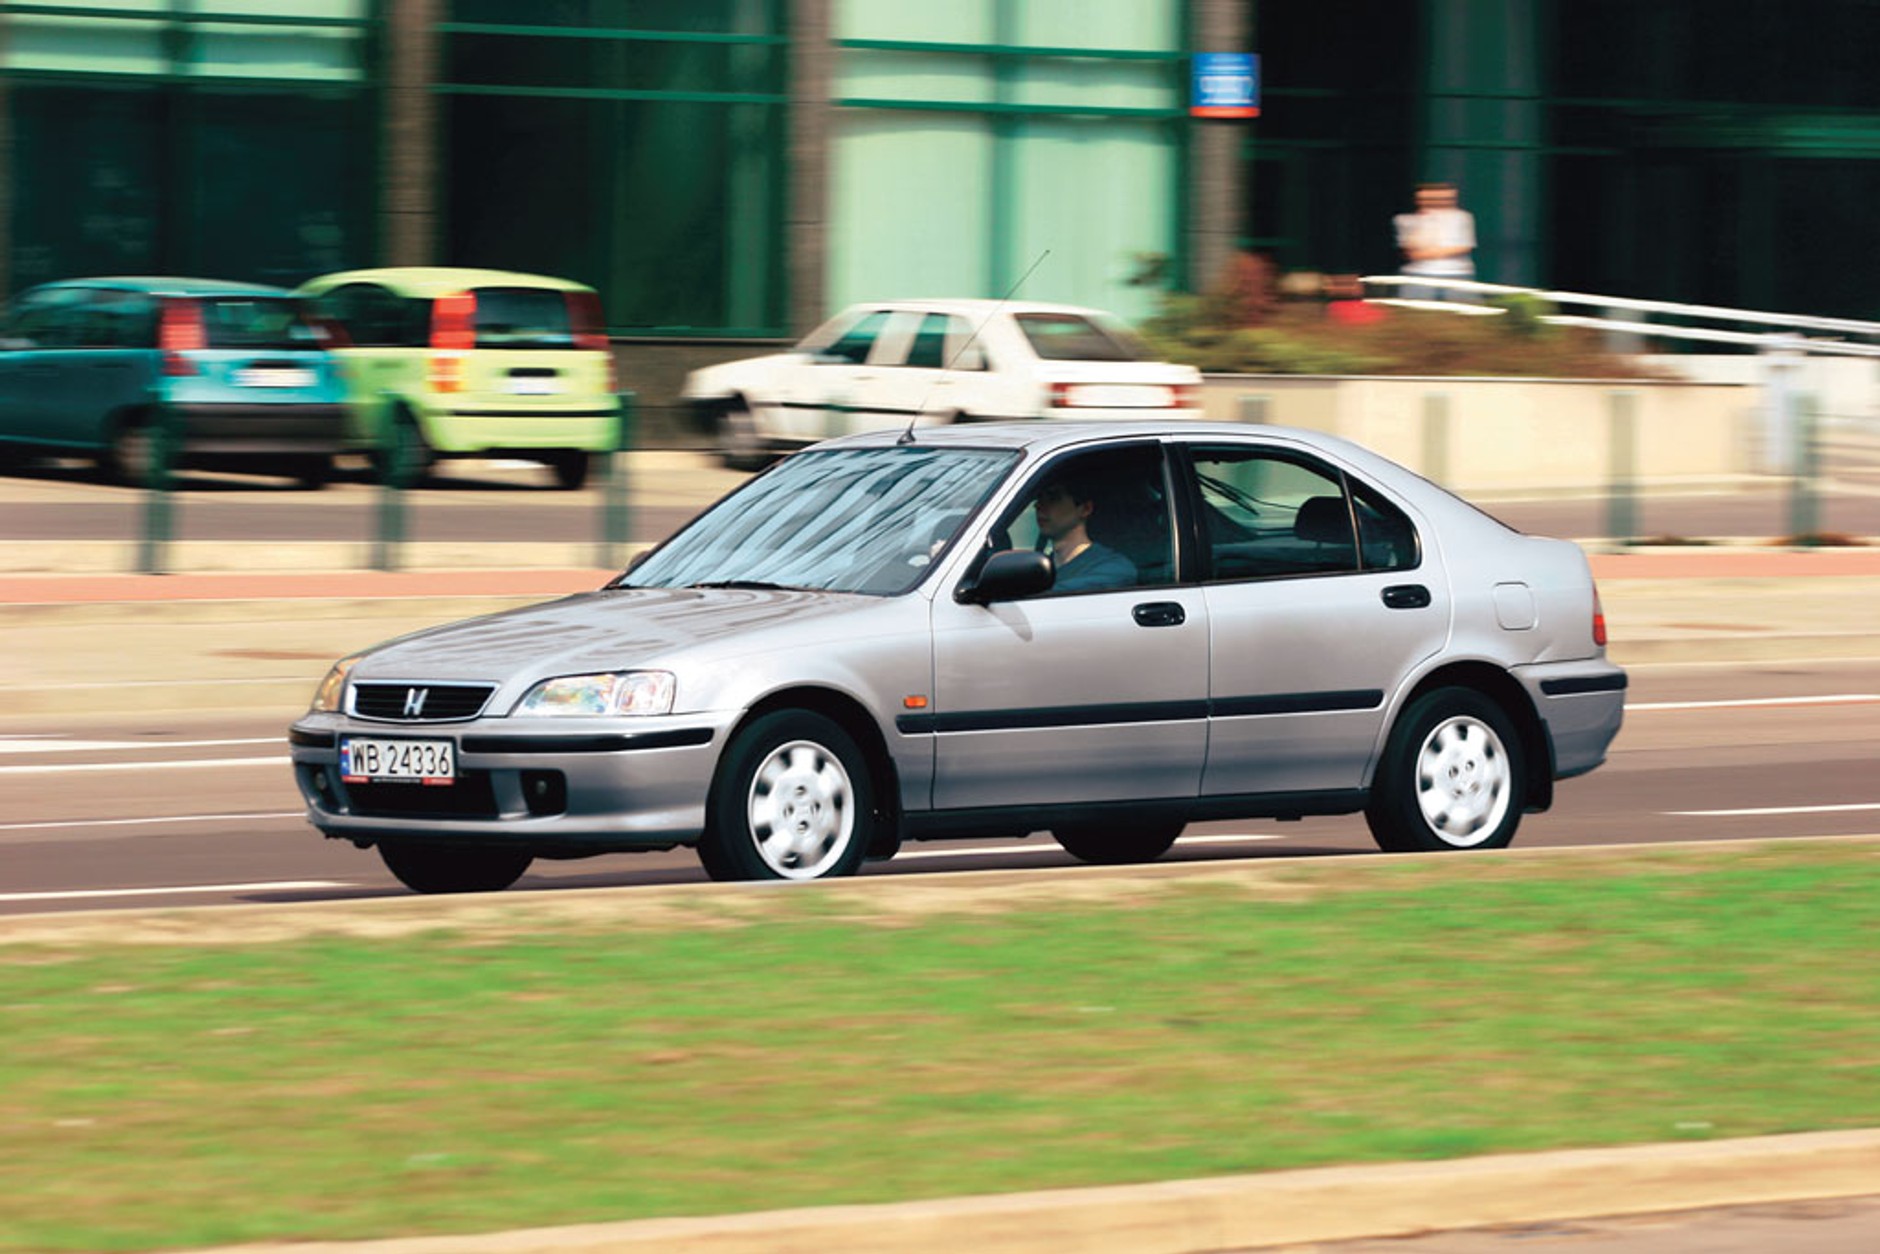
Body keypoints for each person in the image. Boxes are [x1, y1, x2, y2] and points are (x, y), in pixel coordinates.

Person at [1032, 475, 1136, 592]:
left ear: (1086, 508)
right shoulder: (1037, 570)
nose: (1038, 505)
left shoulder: (1113, 568)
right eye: (1039, 498)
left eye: (1053, 497)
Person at [1395, 181, 1476, 301]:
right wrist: (1426, 221)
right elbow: (1411, 252)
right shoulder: (1405, 219)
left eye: (1445, 198)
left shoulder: (1463, 217)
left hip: (1457, 274)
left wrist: (1427, 253)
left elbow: (1464, 247)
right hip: (1418, 275)